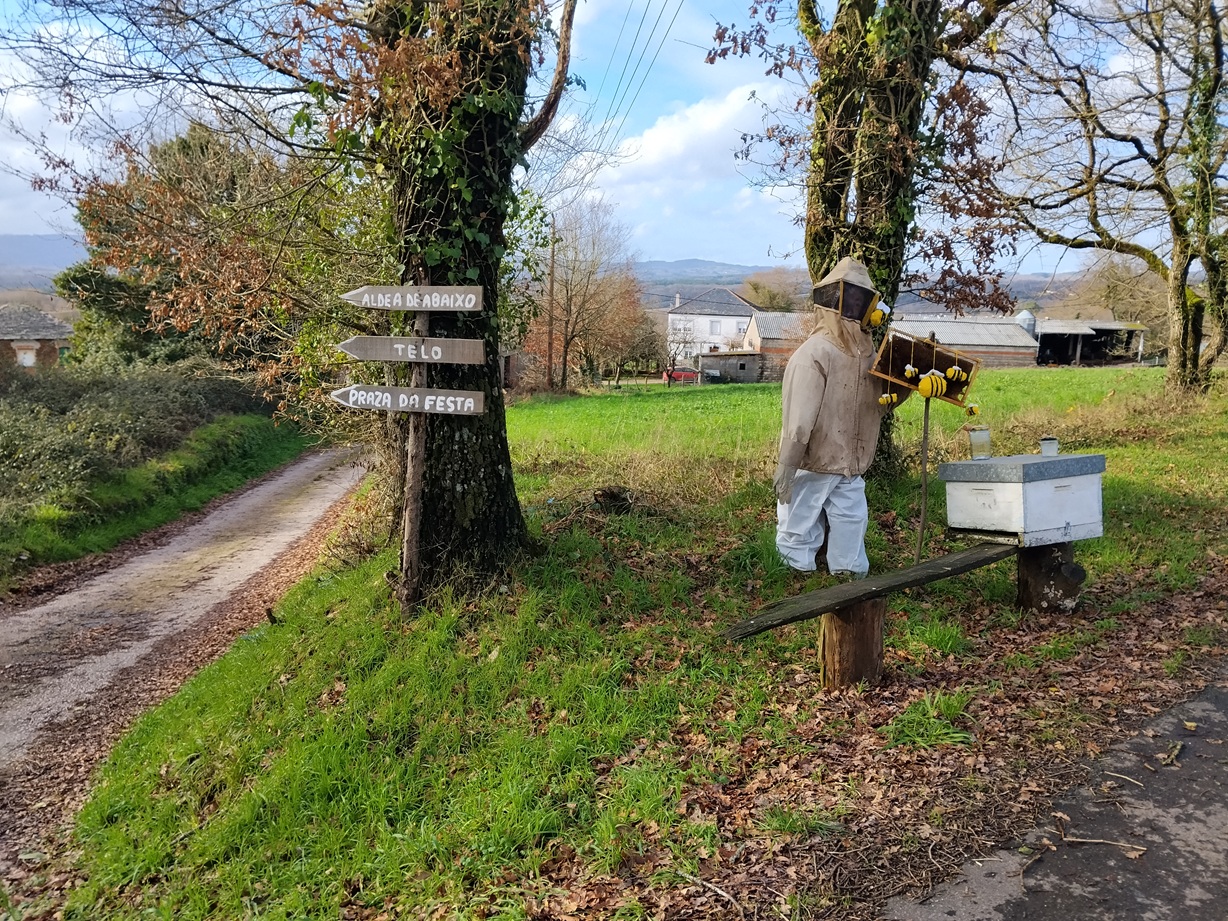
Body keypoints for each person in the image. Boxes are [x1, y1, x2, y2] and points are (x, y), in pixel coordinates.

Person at [773, 257, 904, 578]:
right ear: (834, 299)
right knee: (798, 524)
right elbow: (798, 416)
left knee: (851, 520)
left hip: (851, 464)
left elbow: (878, 405)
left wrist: (906, 386)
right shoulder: (814, 353)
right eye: (853, 298)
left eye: (862, 299)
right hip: (813, 462)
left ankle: (848, 577)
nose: (857, 307)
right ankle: (793, 577)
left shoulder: (868, 356)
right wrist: (787, 464)